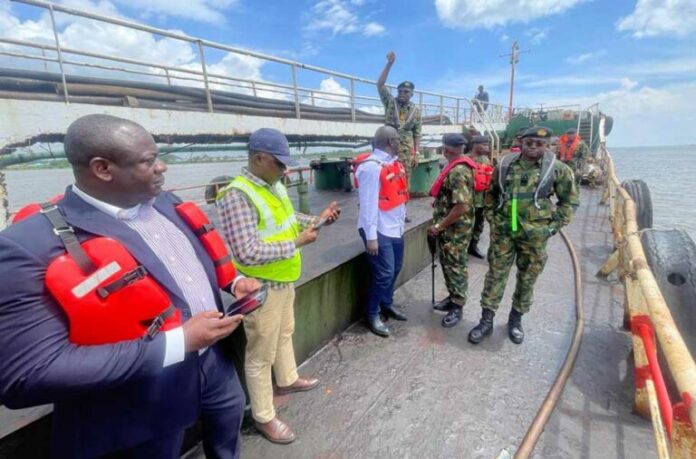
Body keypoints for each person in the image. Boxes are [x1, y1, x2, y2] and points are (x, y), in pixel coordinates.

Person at [0, 114, 259, 459]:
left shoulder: (167, 203)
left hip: (216, 364)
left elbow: (194, 264)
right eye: (149, 160)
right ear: (103, 169)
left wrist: (235, 281)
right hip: (138, 399)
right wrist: (180, 341)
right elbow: (28, 375)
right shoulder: (26, 246)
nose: (163, 167)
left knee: (227, 439)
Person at [215, 128, 340, 445]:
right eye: (279, 163)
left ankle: (287, 379)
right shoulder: (237, 195)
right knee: (260, 355)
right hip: (263, 289)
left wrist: (315, 219)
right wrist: (298, 242)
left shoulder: (273, 183)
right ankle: (264, 417)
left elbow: (287, 216)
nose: (285, 169)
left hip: (284, 279)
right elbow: (246, 251)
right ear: (258, 158)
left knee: (285, 332)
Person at [468, 126, 579, 345]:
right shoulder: (506, 165)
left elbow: (570, 202)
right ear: (522, 143)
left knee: (527, 278)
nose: (534, 147)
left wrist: (552, 228)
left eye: (539, 144)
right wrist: (492, 217)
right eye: (529, 143)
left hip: (535, 234)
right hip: (504, 232)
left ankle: (515, 320)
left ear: (547, 145)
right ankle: (486, 321)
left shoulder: (557, 169)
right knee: (495, 275)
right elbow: (491, 194)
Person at [355, 125, 409, 337]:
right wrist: (371, 237)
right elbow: (368, 205)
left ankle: (387, 303)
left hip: (395, 227)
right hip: (378, 230)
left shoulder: (393, 164)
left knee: (395, 269)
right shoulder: (371, 168)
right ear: (390, 142)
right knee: (383, 273)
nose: (401, 144)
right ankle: (372, 313)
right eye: (398, 140)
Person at [428, 134, 476, 328]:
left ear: (446, 150)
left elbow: (461, 207)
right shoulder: (460, 167)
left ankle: (457, 306)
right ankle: (452, 297)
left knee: (456, 267)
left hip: (455, 230)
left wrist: (439, 226)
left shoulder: (457, 172)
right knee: (449, 265)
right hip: (452, 229)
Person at [377, 50, 422, 221]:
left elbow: (417, 133)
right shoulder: (389, 101)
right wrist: (389, 64)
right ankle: (384, 209)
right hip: (386, 150)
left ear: (412, 94)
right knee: (384, 178)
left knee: (404, 181)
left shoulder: (416, 111)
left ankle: (402, 212)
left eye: (406, 92)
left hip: (404, 151)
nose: (403, 94)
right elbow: (380, 85)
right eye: (401, 91)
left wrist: (416, 153)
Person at [467, 135, 493, 259]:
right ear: (475, 144)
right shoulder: (467, 159)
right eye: (484, 145)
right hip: (469, 199)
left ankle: (473, 246)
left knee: (479, 224)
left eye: (487, 145)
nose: (486, 148)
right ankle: (463, 249)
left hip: (482, 199)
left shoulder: (485, 160)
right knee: (466, 225)